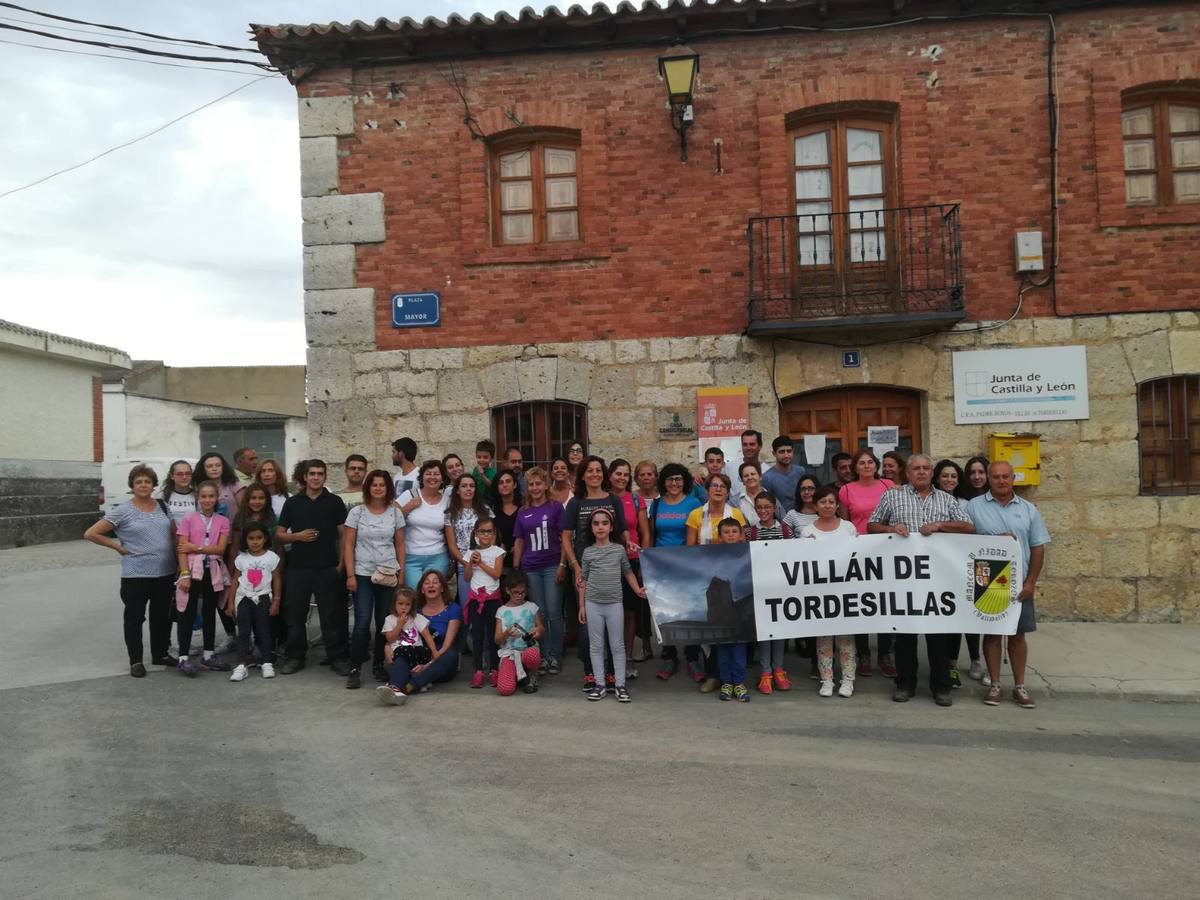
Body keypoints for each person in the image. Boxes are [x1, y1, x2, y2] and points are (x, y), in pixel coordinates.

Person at [868, 453, 974, 706]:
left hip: (937, 580)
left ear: (932, 472)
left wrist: (939, 525)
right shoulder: (892, 495)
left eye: (927, 468)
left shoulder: (947, 500)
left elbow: (968, 526)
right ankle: (905, 684)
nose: (922, 472)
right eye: (917, 468)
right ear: (907, 472)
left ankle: (941, 686)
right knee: (905, 634)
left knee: (938, 634)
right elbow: (872, 525)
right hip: (904, 579)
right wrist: (891, 529)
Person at [967, 460, 1050, 709]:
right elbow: (962, 542)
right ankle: (994, 685)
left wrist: (1031, 582)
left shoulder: (1028, 509)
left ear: (1013, 478)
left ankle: (1020, 686)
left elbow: (1038, 547)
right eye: (996, 477)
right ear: (988, 479)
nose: (1001, 481)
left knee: (1017, 635)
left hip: (1020, 583)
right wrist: (994, 540)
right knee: (992, 635)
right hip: (987, 580)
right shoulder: (973, 507)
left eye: (1005, 476)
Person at [84, 463, 177, 677]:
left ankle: (160, 653)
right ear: (132, 486)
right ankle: (136, 660)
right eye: (139, 482)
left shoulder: (163, 507)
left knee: (162, 616)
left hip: (164, 572)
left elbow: (173, 535)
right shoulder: (123, 510)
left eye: (147, 481)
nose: (143, 485)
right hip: (136, 574)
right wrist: (117, 546)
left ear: (153, 484)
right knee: (135, 618)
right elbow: (91, 533)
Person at [274, 459, 349, 675]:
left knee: (331, 616)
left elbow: (343, 534)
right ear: (305, 477)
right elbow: (278, 535)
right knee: (295, 615)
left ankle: (337, 657)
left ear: (325, 477)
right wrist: (297, 536)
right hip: (298, 568)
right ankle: (295, 657)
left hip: (327, 567)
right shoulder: (293, 503)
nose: (316, 477)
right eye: (312, 474)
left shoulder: (334, 502)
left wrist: (342, 562)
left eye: (320, 474)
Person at [563, 455, 629, 693]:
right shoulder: (576, 503)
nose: (594, 474)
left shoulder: (613, 499)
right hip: (584, 568)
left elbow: (622, 530)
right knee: (586, 623)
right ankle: (591, 673)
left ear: (604, 474)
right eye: (589, 470)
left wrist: (629, 545)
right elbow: (566, 536)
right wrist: (574, 564)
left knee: (612, 623)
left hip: (610, 570)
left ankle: (612, 673)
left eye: (598, 470)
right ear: (582, 475)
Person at [342, 469, 406, 689]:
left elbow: (399, 544)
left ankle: (378, 664)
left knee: (382, 621)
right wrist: (350, 574)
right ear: (368, 487)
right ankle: (355, 667)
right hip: (362, 573)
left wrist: (402, 572)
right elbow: (348, 544)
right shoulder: (357, 512)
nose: (378, 488)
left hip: (387, 574)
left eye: (382, 485)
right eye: (374, 484)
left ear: (388, 488)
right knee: (361, 622)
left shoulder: (395, 513)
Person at [838, 449, 897, 678]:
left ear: (876, 465)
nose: (866, 466)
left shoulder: (888, 486)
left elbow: (895, 514)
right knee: (861, 604)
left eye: (870, 462)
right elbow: (845, 523)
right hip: (859, 553)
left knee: (884, 603)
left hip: (886, 550)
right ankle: (863, 654)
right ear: (855, 467)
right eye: (861, 462)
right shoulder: (846, 490)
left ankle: (884, 654)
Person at [687, 473, 747, 694]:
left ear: (728, 490)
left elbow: (742, 546)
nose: (718, 489)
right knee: (711, 627)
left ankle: (735, 678)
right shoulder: (695, 514)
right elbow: (690, 548)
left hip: (733, 578)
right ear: (707, 489)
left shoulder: (737, 515)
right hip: (707, 578)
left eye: (723, 486)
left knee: (734, 627)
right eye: (714, 485)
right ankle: (713, 676)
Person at [800, 486, 861, 697]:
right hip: (820, 593)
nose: (827, 506)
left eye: (831, 502)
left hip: (845, 592)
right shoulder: (807, 532)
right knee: (823, 639)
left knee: (846, 639)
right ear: (815, 505)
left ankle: (848, 680)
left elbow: (859, 558)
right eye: (823, 502)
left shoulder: (848, 528)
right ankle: (826, 680)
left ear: (837, 505)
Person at [579, 508, 644, 703]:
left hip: (615, 603)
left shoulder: (618, 550)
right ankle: (599, 684)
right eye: (596, 523)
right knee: (596, 645)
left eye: (604, 523)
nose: (600, 527)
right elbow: (584, 580)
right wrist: (582, 605)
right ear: (591, 528)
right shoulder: (587, 552)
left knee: (617, 645)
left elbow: (628, 572)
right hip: (593, 604)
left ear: (611, 527)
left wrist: (637, 590)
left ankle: (620, 685)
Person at [649, 463, 704, 681]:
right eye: (670, 479)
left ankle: (692, 657)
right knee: (665, 611)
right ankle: (669, 656)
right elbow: (652, 534)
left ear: (685, 482)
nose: (674, 483)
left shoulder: (694, 503)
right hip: (661, 564)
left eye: (678, 479)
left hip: (687, 564)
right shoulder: (657, 504)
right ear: (663, 482)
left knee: (691, 611)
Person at [511, 466, 566, 675]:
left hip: (552, 565)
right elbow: (519, 541)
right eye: (531, 484)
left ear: (546, 485)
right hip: (531, 568)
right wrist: (516, 569)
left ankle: (555, 654)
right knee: (539, 613)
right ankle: (542, 655)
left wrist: (562, 564)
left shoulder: (556, 507)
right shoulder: (523, 511)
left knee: (554, 612)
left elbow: (564, 538)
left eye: (538, 483)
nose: (534, 488)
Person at [375, 570, 461, 704]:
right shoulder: (414, 612)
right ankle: (395, 687)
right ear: (422, 589)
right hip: (415, 658)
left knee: (451, 654)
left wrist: (426, 665)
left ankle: (410, 685)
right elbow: (395, 639)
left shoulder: (453, 609)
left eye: (435, 582)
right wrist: (388, 648)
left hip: (439, 660)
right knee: (402, 653)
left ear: (442, 588)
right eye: (427, 583)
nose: (431, 585)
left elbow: (446, 646)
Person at [174, 480, 233, 676]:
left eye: (211, 496)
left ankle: (208, 654)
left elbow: (220, 548)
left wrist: (196, 548)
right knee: (187, 613)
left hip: (212, 571)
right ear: (198, 498)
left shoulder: (223, 521)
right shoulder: (189, 519)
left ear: (217, 498)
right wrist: (184, 574)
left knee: (209, 611)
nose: (207, 500)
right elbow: (182, 549)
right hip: (192, 571)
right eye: (203, 496)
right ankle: (183, 657)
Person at [933, 457, 980, 688]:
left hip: (961, 566)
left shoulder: (966, 503)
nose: (949, 480)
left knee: (962, 616)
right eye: (944, 476)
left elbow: (971, 530)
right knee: (944, 620)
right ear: (937, 478)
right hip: (935, 568)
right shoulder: (929, 501)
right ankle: (946, 666)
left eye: (953, 476)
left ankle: (965, 661)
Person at [608, 457, 651, 677]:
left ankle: (628, 658)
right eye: (618, 473)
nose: (622, 478)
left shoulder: (635, 500)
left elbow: (645, 532)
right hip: (606, 561)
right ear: (610, 475)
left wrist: (645, 561)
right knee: (610, 611)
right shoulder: (603, 498)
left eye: (626, 474)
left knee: (630, 612)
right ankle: (612, 659)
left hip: (632, 559)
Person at [746, 491, 792, 694]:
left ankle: (779, 668)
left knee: (780, 630)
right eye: (759, 507)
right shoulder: (749, 533)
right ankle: (765, 671)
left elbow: (795, 555)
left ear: (774, 508)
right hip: (760, 589)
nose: (763, 511)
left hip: (781, 587)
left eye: (767, 507)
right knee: (764, 630)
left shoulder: (785, 530)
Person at [226, 523, 281, 682]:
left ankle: (266, 662)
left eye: (259, 538)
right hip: (244, 598)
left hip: (263, 598)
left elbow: (277, 579)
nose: (255, 542)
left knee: (263, 630)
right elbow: (235, 580)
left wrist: (276, 601)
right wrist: (231, 603)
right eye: (251, 538)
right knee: (243, 632)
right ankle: (241, 665)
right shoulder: (241, 558)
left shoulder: (271, 557)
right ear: (246, 540)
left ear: (265, 539)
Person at [374, 587, 436, 705]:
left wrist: (434, 652)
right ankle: (398, 690)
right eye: (400, 604)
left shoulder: (416, 618)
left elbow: (427, 636)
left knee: (402, 650)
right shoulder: (390, 619)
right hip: (400, 655)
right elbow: (390, 638)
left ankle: (394, 686)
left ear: (412, 606)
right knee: (400, 656)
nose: (403, 607)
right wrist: (399, 625)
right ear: (394, 604)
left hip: (417, 653)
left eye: (407, 604)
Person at [464, 517, 506, 688]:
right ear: (476, 534)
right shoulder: (470, 553)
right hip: (475, 599)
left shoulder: (498, 552)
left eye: (489, 531)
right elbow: (467, 577)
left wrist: (480, 563)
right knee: (478, 636)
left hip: (492, 599)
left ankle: (494, 670)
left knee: (493, 637)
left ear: (494, 534)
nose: (486, 534)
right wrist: (470, 563)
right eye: (482, 531)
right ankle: (479, 671)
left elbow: (497, 574)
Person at [396, 460, 450, 589]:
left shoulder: (447, 501)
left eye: (436, 474)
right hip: (411, 558)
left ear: (442, 478)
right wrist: (408, 507)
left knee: (434, 594)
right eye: (428, 473)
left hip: (438, 556)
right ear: (422, 477)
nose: (432, 477)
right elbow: (391, 518)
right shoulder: (410, 494)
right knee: (415, 595)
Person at [714, 517, 751, 703]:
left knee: (739, 648)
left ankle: (739, 682)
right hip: (721, 614)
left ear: (741, 535)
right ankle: (726, 682)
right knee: (723, 648)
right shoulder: (714, 558)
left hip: (740, 612)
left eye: (734, 531)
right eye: (726, 532)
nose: (730, 535)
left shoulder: (747, 555)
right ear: (719, 537)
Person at [445, 472, 493, 602]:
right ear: (458, 491)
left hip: (485, 564)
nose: (468, 489)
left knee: (485, 603)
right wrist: (465, 561)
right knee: (466, 604)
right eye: (464, 486)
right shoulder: (451, 514)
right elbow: (452, 545)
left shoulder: (486, 510)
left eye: (472, 486)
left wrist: (485, 560)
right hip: (464, 565)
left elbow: (493, 537)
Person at [495, 570, 544, 695]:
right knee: (505, 689)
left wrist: (537, 631)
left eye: (523, 592)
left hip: (527, 650)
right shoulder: (501, 611)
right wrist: (506, 633)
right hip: (510, 653)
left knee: (532, 654)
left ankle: (532, 676)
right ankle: (519, 675)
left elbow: (541, 629)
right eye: (515, 592)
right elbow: (497, 640)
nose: (519, 596)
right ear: (507, 591)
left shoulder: (532, 607)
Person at [194, 452, 243, 520]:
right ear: (203, 469)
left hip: (233, 528)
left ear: (223, 467)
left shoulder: (235, 485)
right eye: (209, 466)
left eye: (218, 465)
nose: (214, 469)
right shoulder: (197, 488)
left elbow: (244, 509)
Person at [762, 435, 804, 514]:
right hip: (780, 521)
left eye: (789, 451)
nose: (786, 455)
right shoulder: (767, 477)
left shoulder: (800, 471)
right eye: (782, 452)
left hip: (801, 518)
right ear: (774, 453)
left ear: (793, 451)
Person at [735, 460, 783, 525]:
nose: (750, 477)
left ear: (760, 477)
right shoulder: (735, 502)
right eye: (746, 476)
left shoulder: (771, 497)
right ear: (742, 481)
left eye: (753, 474)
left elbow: (783, 520)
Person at [490, 470, 521, 552]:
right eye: (500, 483)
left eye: (508, 481)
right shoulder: (491, 510)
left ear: (515, 485)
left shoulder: (524, 507)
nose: (504, 485)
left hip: (523, 557)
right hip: (499, 558)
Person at [158, 460, 196, 526]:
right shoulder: (163, 495)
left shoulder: (197, 495)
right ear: (172, 476)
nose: (184, 477)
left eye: (187, 473)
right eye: (179, 474)